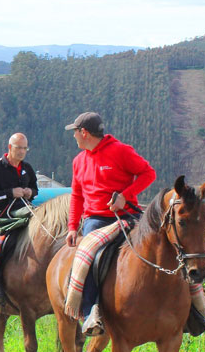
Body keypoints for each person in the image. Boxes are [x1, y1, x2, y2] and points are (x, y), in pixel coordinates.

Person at [64, 112, 156, 335]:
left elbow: (148, 173)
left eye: (75, 131)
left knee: (163, 247)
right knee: (89, 256)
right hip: (96, 219)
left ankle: (190, 310)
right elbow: (76, 195)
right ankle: (90, 312)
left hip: (128, 215)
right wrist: (73, 227)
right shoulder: (78, 161)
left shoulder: (121, 151)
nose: (74, 136)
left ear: (84, 133)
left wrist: (126, 194)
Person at [0, 133, 39, 304]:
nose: (22, 151)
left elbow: (35, 190)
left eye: (25, 148)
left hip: (27, 212)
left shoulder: (28, 168)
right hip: (6, 217)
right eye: (18, 148)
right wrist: (9, 193)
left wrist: (29, 192)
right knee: (1, 243)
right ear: (10, 147)